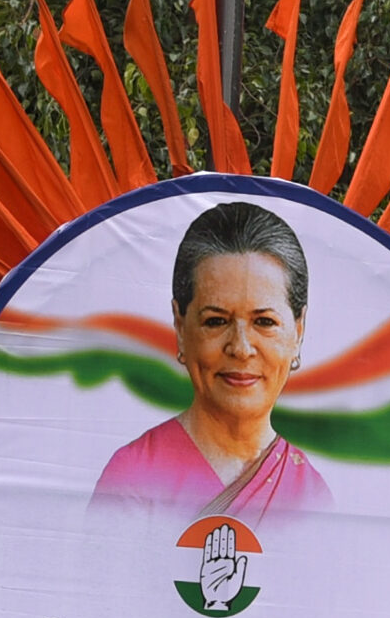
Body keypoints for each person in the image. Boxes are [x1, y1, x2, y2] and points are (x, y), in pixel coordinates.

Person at [92, 200, 334, 526]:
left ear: (298, 330)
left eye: (264, 322)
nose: (241, 348)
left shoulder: (311, 496)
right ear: (180, 325)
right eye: (216, 321)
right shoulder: (134, 476)